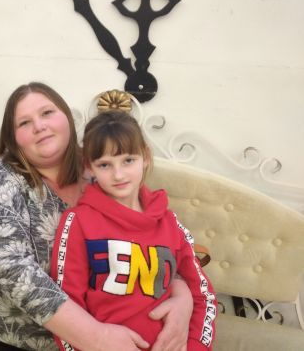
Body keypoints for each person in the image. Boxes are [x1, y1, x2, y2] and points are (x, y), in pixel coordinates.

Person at [0, 82, 194, 351]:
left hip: (78, 341)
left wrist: (182, 297)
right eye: (25, 123)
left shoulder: (102, 169)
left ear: (67, 118)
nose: (39, 126)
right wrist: (96, 337)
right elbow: (11, 271)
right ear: (13, 138)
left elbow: (149, 235)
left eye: (47, 113)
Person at [50, 110, 217, 350]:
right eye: (105, 165)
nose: (118, 174)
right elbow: (64, 307)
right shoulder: (78, 222)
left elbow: (202, 294)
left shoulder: (169, 222)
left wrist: (195, 347)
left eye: (128, 160)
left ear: (145, 157)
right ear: (89, 167)